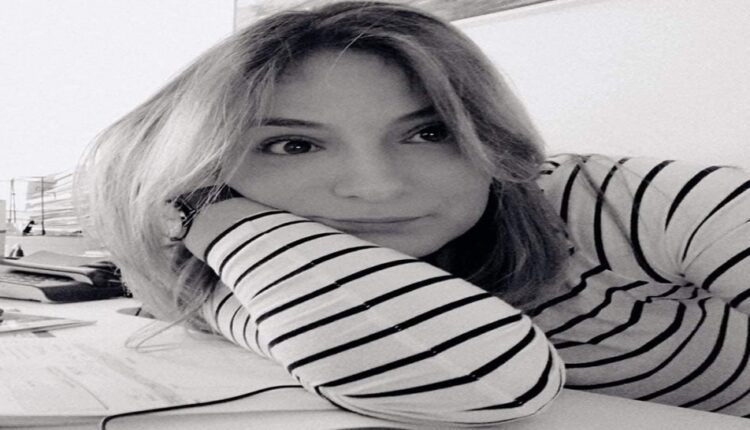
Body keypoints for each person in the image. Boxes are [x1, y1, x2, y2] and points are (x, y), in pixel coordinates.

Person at [76, 1, 750, 425]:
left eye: (430, 133)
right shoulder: (253, 255)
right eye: (293, 145)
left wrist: (205, 213)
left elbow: (489, 379)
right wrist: (212, 219)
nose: (375, 188)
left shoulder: (637, 204)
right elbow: (468, 381)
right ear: (208, 168)